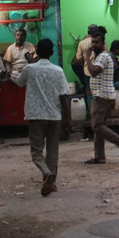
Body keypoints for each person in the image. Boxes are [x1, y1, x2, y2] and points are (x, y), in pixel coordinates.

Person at [15, 39, 73, 196]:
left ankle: (47, 175)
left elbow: (19, 83)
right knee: (53, 153)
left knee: (36, 152)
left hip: (36, 115)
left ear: (36, 52)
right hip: (55, 116)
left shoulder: (29, 69)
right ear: (52, 53)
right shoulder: (58, 71)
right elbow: (64, 96)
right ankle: (51, 183)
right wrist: (68, 118)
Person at [84, 30, 119, 164]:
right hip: (101, 95)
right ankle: (100, 156)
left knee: (97, 126)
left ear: (103, 43)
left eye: (97, 42)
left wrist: (87, 57)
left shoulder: (103, 57)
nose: (94, 44)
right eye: (92, 42)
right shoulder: (100, 56)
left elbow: (94, 72)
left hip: (103, 96)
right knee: (99, 126)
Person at [72, 24, 97, 97]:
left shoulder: (82, 42)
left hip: (86, 70)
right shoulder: (99, 42)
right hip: (97, 70)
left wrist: (85, 57)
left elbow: (78, 58)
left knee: (88, 90)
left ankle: (89, 107)